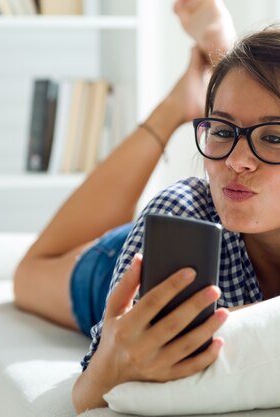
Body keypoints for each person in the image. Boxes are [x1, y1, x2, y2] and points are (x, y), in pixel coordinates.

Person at [17, 1, 280, 412]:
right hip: (130, 258)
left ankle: (218, 70)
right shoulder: (177, 214)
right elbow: (86, 394)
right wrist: (106, 370)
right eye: (221, 129)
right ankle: (179, 105)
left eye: (274, 137)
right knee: (29, 275)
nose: (236, 160)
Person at [13, 0, 236, 335]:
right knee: (29, 275)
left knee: (31, 273)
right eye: (222, 129)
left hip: (158, 260)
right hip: (137, 260)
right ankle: (214, 76)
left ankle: (192, 94)